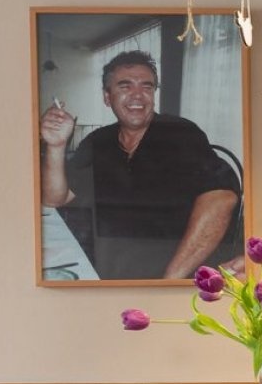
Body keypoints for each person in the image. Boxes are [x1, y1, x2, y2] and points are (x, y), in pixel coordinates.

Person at [40, 49, 243, 280]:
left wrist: (168, 282)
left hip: (173, 268)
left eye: (147, 87)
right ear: (107, 97)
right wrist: (56, 146)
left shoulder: (179, 133)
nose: (138, 95)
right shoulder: (98, 141)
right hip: (112, 268)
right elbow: (54, 198)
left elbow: (221, 198)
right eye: (125, 86)